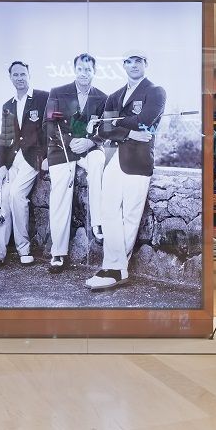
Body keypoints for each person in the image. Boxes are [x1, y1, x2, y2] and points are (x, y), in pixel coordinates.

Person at [84, 50, 166, 290]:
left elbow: (145, 122)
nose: (133, 65)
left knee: (130, 216)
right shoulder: (114, 96)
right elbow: (103, 130)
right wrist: (129, 131)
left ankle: (115, 269)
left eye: (138, 61)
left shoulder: (155, 91)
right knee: (108, 210)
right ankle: (115, 267)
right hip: (115, 158)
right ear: (124, 66)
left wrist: (116, 123)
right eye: (129, 62)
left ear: (145, 64)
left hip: (139, 161)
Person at [0, 61, 49, 270]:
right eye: (15, 75)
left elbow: (50, 130)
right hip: (12, 161)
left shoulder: (43, 98)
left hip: (33, 159)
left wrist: (47, 156)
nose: (19, 78)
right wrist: (2, 165)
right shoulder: (7, 105)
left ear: (29, 75)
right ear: (10, 78)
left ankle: (24, 249)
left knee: (17, 195)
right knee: (4, 198)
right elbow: (4, 138)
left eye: (22, 74)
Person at [44, 53, 107, 274]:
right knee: (60, 192)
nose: (84, 73)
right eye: (80, 69)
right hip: (61, 149)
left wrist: (90, 142)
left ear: (94, 72)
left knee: (99, 160)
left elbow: (106, 129)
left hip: (88, 149)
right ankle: (58, 253)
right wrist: (70, 141)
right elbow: (49, 124)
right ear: (74, 70)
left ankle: (97, 224)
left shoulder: (103, 97)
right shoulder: (57, 92)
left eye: (88, 69)